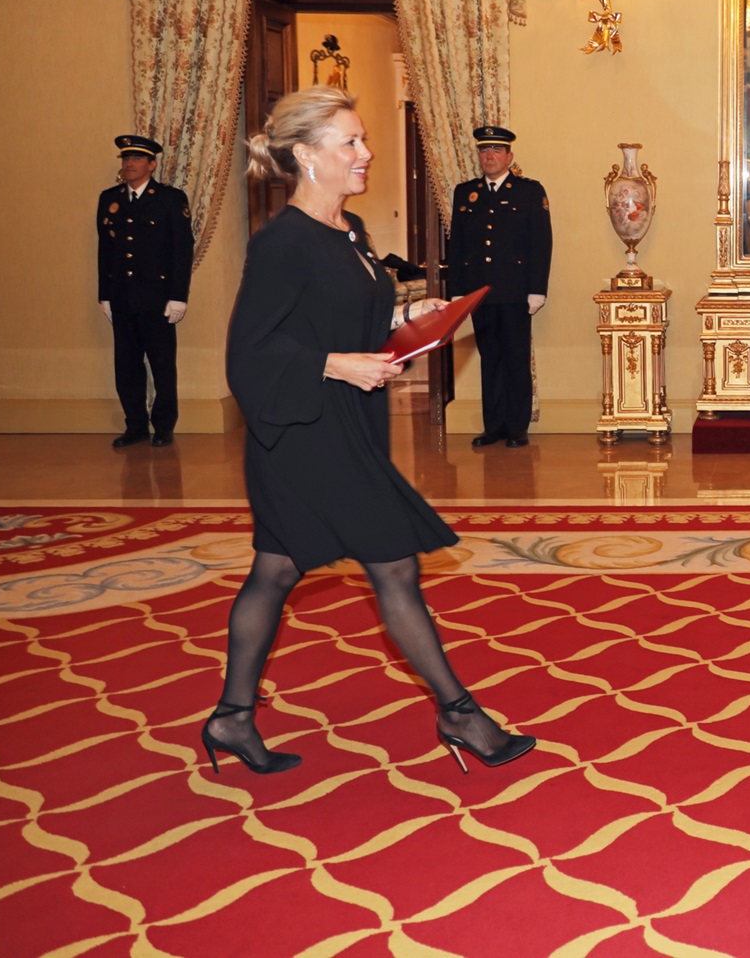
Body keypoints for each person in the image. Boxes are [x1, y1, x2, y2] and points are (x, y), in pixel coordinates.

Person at [211, 86, 535, 777]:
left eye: (362, 139)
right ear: (304, 156)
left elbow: (343, 320)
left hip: (341, 423)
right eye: (350, 143)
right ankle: (459, 713)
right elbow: (248, 355)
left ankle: (232, 718)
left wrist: (413, 321)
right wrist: (332, 365)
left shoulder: (348, 233)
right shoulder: (281, 245)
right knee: (393, 563)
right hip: (304, 434)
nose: (367, 152)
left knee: (275, 570)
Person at [448, 126, 552, 448]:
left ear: (509, 156)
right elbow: (458, 246)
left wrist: (537, 289)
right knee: (489, 357)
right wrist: (458, 291)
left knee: (516, 358)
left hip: (515, 291)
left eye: (495, 151)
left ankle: (517, 427)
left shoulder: (529, 192)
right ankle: (493, 426)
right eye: (483, 151)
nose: (489, 156)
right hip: (479, 292)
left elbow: (541, 242)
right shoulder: (465, 193)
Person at [96, 135, 193, 448]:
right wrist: (105, 294)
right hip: (122, 297)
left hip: (157, 298)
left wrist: (179, 296)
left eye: (137, 159)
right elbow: (105, 249)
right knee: (126, 366)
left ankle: (163, 426)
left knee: (162, 364)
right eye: (126, 159)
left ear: (152, 164)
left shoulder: (170, 198)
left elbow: (182, 251)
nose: (129, 164)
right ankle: (135, 425)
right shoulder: (109, 198)